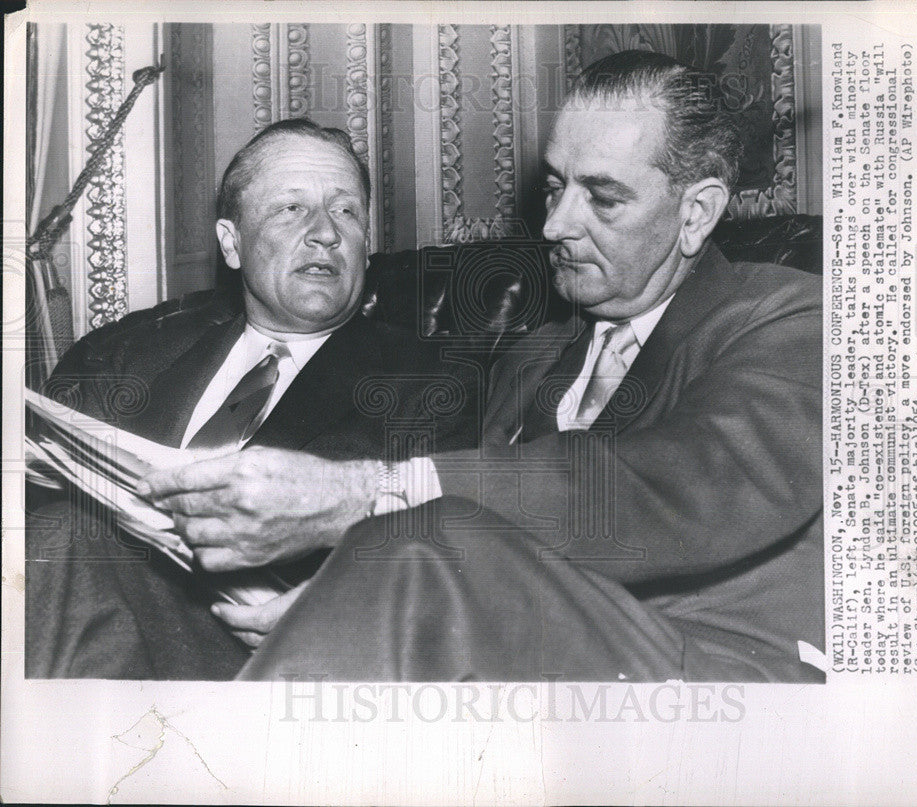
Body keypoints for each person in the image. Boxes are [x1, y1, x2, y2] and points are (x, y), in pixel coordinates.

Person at [140, 50, 825, 683]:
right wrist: (342, 591)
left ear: (697, 213)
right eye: (556, 187)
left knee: (427, 538)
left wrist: (373, 497)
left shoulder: (789, 318)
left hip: (716, 675)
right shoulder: (532, 359)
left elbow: (681, 485)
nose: (555, 223)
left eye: (602, 196)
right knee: (93, 565)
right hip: (521, 660)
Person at [26, 119, 477, 679]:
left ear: (367, 248)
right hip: (109, 623)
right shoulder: (134, 359)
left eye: (346, 211)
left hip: (277, 658)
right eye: (291, 209)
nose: (324, 234)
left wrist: (345, 598)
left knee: (63, 539)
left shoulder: (431, 382)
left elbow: (452, 547)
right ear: (231, 243)